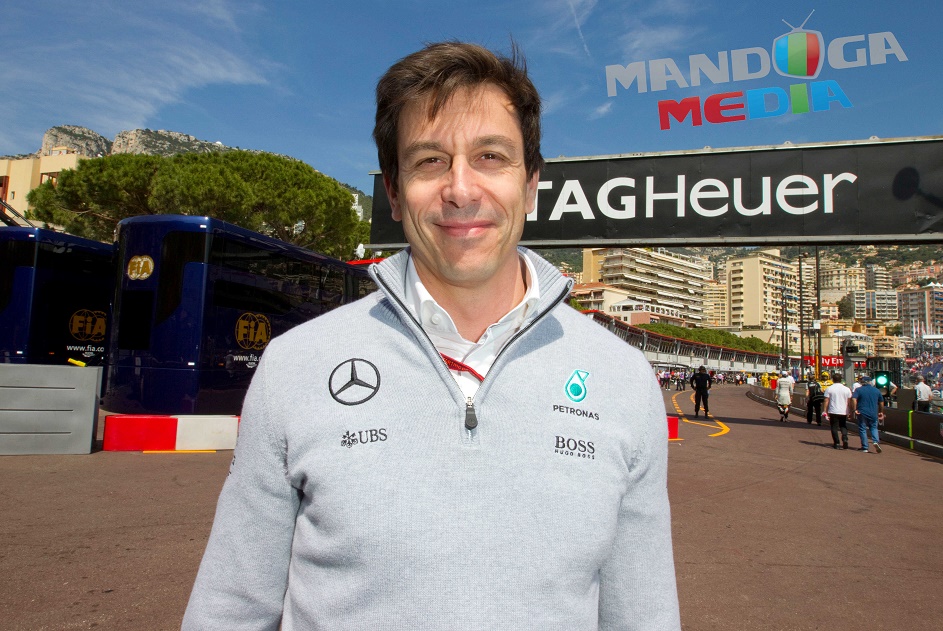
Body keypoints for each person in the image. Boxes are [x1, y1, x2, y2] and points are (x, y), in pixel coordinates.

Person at [182, 42, 681, 630]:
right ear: (394, 193)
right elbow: (230, 610)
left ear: (531, 184)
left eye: (491, 156)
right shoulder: (294, 365)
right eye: (429, 161)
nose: (461, 189)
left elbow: (643, 616)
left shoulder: (624, 380)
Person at [850, 375, 885, 453]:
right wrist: (881, 411)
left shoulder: (858, 390)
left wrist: (854, 409)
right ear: (870, 382)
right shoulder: (876, 390)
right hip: (873, 412)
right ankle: (875, 441)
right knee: (874, 428)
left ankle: (865, 447)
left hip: (862, 411)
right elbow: (881, 402)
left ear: (862, 382)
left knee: (862, 429)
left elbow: (853, 399)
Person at [822, 372, 852, 449]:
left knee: (834, 427)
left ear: (833, 380)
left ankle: (837, 443)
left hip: (833, 410)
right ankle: (844, 437)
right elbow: (849, 402)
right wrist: (850, 411)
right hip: (844, 411)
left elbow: (826, 400)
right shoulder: (847, 389)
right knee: (843, 425)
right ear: (841, 380)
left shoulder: (829, 388)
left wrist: (825, 410)